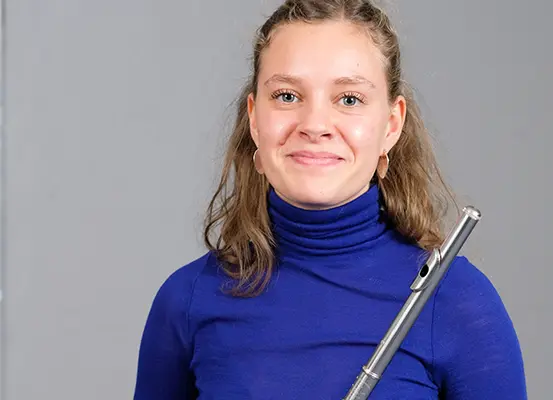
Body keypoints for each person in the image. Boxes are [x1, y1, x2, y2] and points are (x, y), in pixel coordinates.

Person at [133, 0, 527, 398]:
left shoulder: (457, 299)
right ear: (254, 118)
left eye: (349, 99)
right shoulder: (186, 300)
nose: (315, 125)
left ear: (391, 125)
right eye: (287, 96)